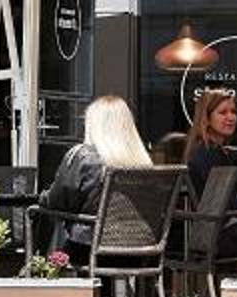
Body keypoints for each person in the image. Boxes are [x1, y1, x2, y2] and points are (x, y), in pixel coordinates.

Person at [38, 95, 155, 261]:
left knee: (38, 214)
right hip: (139, 253)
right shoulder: (143, 163)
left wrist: (42, 198)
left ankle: (39, 270)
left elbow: (57, 201)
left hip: (89, 250)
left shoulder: (84, 156)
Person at [184, 90, 237, 266]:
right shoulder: (206, 154)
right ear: (206, 118)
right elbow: (224, 201)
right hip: (219, 235)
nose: (231, 117)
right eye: (223, 112)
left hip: (228, 227)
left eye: (233, 112)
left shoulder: (219, 152)